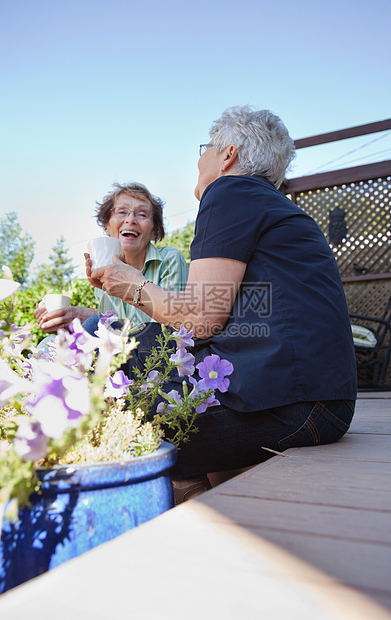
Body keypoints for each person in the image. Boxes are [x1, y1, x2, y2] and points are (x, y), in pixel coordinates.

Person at [85, 106, 357, 502]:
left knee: (114, 381)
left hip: (292, 407)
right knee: (120, 349)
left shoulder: (231, 191)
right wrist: (126, 284)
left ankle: (191, 515)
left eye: (205, 148)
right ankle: (203, 500)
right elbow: (214, 310)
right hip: (319, 404)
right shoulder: (270, 205)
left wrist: (131, 285)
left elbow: (199, 318)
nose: (199, 160)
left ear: (227, 154)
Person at [35, 182, 188, 335]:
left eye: (142, 214)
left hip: (160, 353)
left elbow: (171, 330)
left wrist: (97, 318)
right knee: (49, 343)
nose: (131, 219)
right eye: (122, 212)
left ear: (154, 231)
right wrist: (69, 323)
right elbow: (114, 333)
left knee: (94, 323)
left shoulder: (170, 259)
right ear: (106, 226)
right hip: (123, 354)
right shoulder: (104, 275)